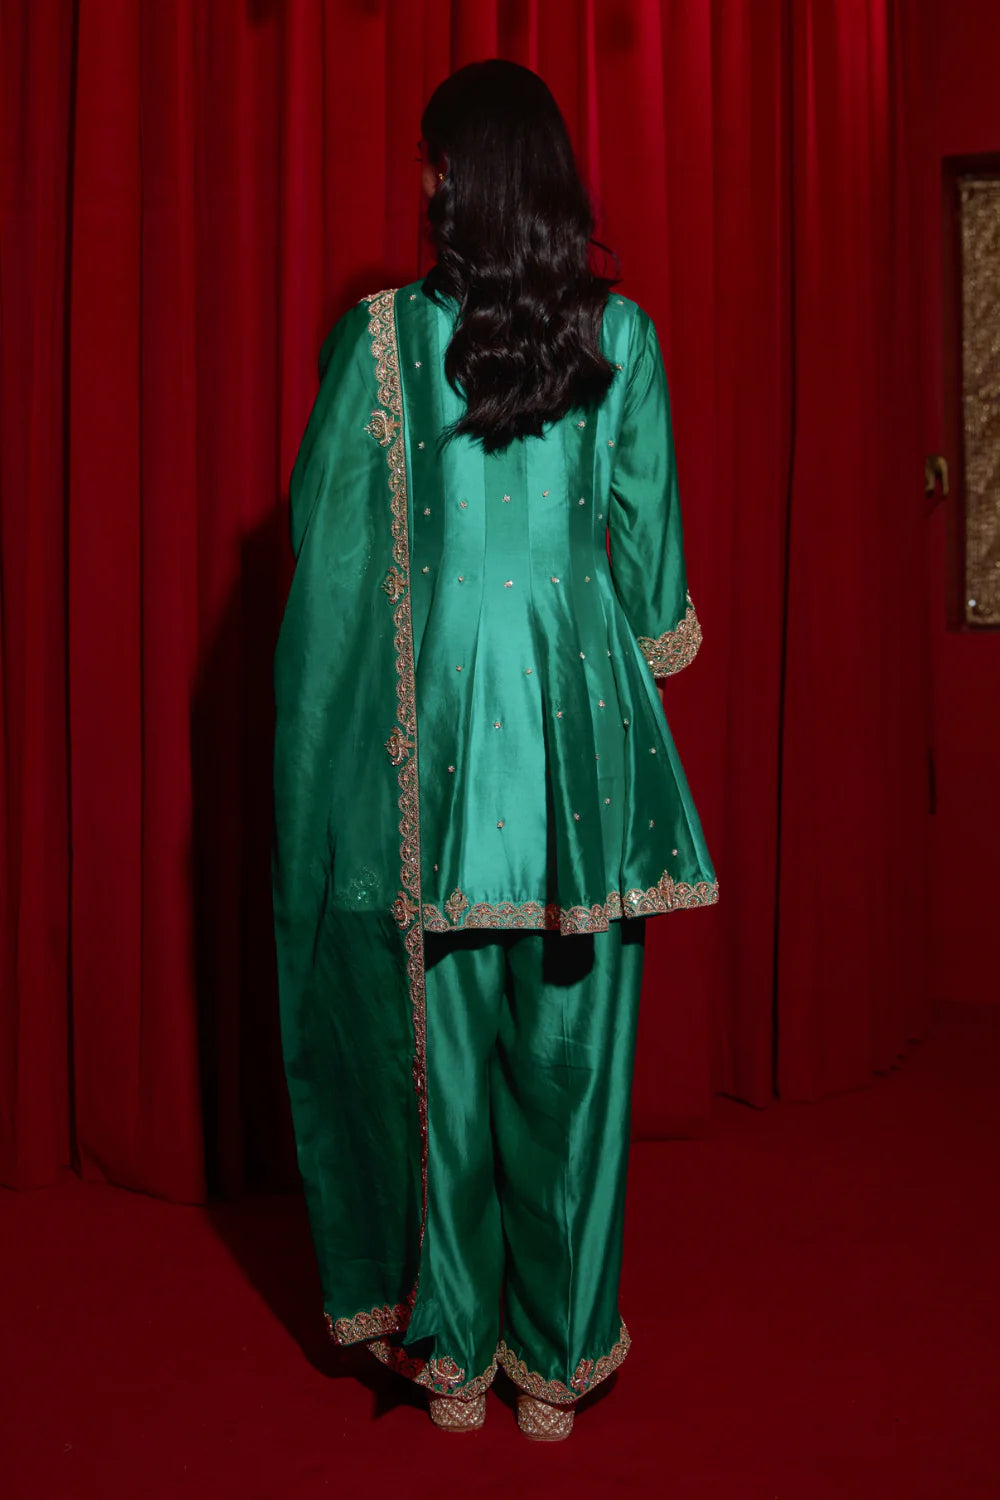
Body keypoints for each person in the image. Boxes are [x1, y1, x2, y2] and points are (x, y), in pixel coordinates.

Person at [271, 58, 717, 1443]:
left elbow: (324, 547)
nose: (417, 183)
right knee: (572, 1065)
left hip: (434, 752)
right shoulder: (623, 337)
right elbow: (651, 583)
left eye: (428, 160)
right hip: (581, 753)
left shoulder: (381, 343)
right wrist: (618, 640)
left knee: (443, 1066)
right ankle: (557, 1364)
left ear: (458, 174)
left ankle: (455, 1352)